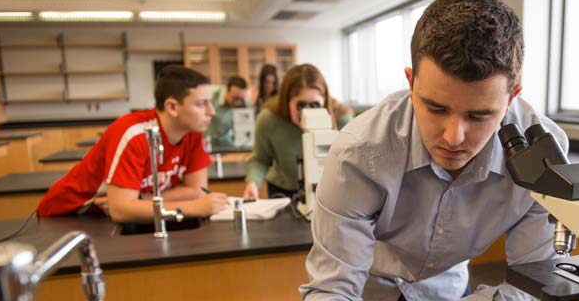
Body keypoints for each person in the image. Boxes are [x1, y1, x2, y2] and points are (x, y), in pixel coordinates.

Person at [293, 0, 569, 301]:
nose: (454, 136)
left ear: (512, 98)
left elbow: (533, 294)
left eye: (479, 115)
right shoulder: (360, 152)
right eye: (436, 108)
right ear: (411, 82)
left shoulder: (543, 157)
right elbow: (332, 294)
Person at [37, 65, 229, 221]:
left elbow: (196, 190)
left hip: (104, 217)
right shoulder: (134, 134)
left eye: (210, 102)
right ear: (172, 107)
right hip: (67, 216)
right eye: (201, 104)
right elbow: (121, 211)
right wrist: (193, 208)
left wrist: (139, 200)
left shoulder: (192, 133)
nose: (211, 111)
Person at [242, 63, 354, 200]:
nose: (307, 112)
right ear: (286, 101)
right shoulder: (269, 119)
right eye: (301, 105)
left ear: (325, 101)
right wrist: (253, 183)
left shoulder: (342, 120)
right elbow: (260, 159)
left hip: (328, 191)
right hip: (284, 191)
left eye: (314, 105)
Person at [205, 76, 249, 148]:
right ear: (227, 91)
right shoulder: (211, 97)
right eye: (235, 98)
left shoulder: (245, 105)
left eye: (241, 99)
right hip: (208, 145)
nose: (238, 102)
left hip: (227, 146)